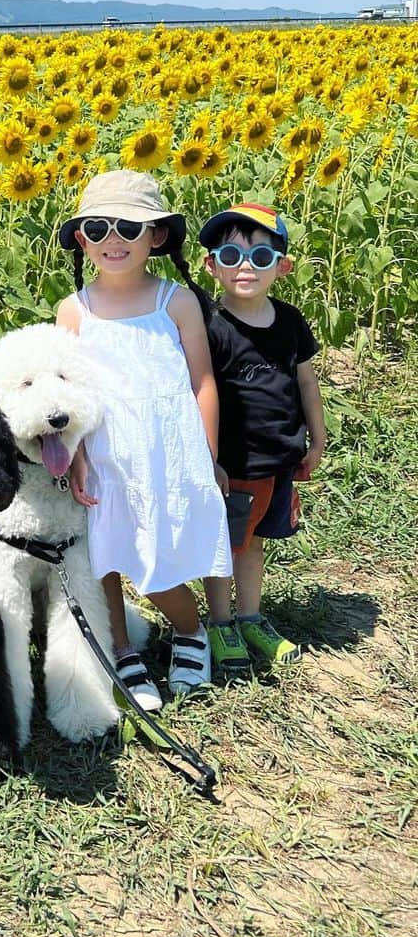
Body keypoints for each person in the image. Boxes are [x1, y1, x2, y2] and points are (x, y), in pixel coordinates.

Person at [55, 171, 231, 704]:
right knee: (104, 556)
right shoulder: (73, 310)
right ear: (82, 238)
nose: (113, 239)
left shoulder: (175, 302)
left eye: (128, 227)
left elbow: (203, 381)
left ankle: (189, 630)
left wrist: (208, 457)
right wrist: (77, 456)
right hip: (106, 454)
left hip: (167, 452)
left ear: (156, 237)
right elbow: (68, 395)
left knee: (158, 557)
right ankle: (122, 648)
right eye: (99, 226)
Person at [198, 203, 326, 676]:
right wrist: (206, 457)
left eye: (260, 257)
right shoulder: (210, 327)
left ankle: (250, 616)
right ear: (212, 266)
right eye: (230, 255)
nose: (244, 266)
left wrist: (317, 434)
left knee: (253, 543)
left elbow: (306, 381)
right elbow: (199, 393)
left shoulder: (290, 321)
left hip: (278, 459)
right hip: (232, 464)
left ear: (283, 267)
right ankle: (219, 621)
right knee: (221, 545)